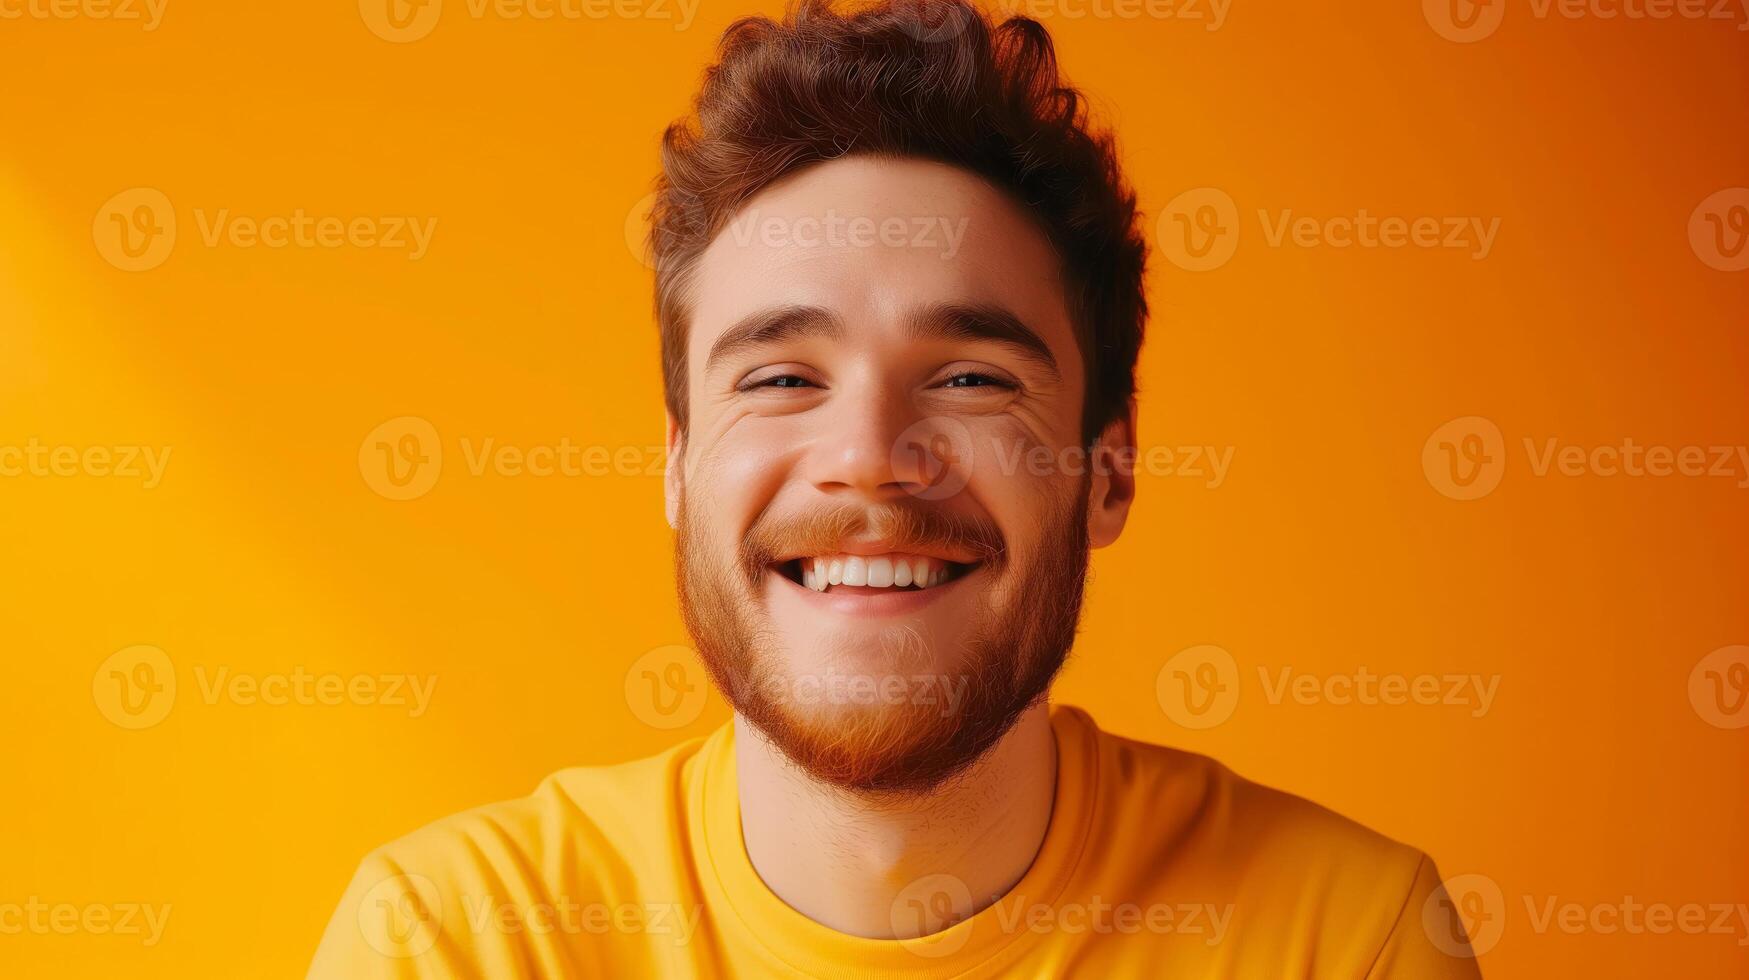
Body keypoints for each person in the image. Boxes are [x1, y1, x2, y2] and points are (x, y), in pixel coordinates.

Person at [309, 0, 1481, 975]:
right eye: (779, 377)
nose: (870, 452)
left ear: (1108, 468)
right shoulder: (454, 940)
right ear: (676, 465)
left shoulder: (1347, 939)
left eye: (971, 376)